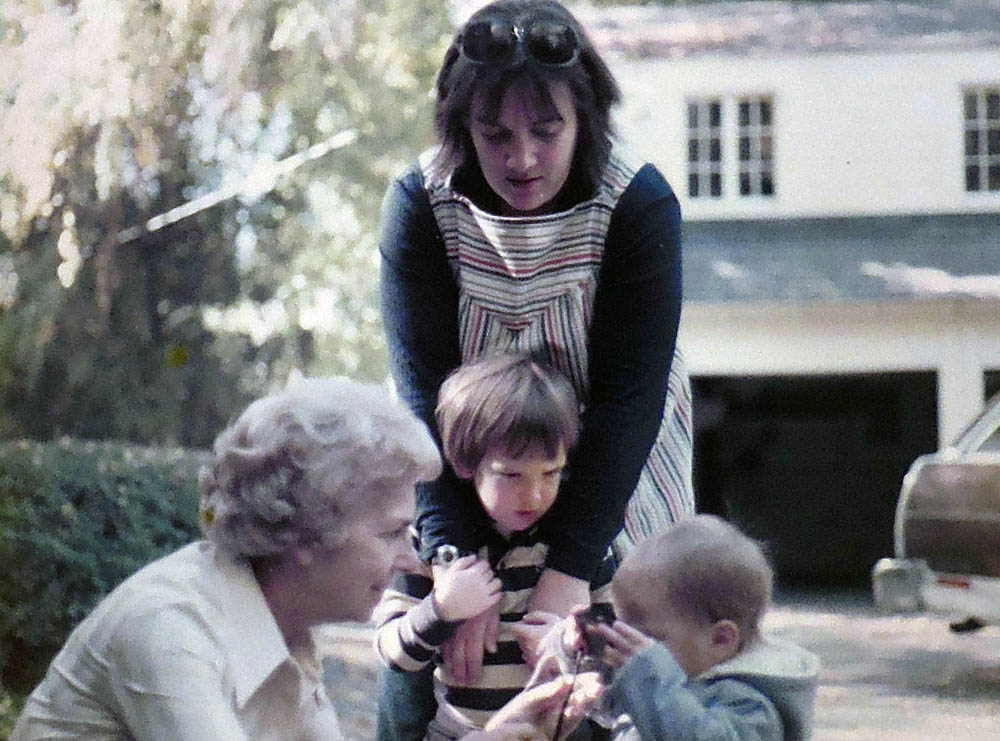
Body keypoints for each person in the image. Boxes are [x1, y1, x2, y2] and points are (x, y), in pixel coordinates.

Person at [378, 0, 695, 735]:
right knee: (430, 659)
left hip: (613, 462)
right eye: (495, 135)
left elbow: (629, 398)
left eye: (546, 131)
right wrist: (460, 563)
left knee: (604, 675)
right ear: (464, 130)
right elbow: (420, 393)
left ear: (584, 119)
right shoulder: (419, 205)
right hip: (456, 461)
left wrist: (568, 569)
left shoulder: (637, 203)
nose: (522, 159)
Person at [10, 376, 594, 741]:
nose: (411, 561)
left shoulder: (281, 627)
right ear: (307, 536)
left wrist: (502, 733)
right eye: (392, 532)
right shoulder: (169, 630)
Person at [374, 354, 615, 739]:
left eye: (551, 473)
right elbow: (391, 651)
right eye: (511, 475)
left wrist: (573, 648)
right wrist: (441, 609)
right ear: (466, 464)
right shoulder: (430, 550)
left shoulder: (582, 549)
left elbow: (620, 660)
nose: (534, 494)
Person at [581, 514, 820, 740]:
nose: (631, 648)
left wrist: (648, 671)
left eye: (648, 638)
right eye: (621, 630)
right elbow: (604, 699)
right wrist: (578, 652)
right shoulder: (662, 674)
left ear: (721, 640)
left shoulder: (752, 705)